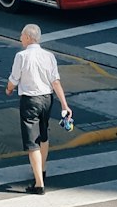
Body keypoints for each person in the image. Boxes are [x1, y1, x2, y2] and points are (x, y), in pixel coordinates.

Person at [5, 23, 71, 195]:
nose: (20, 38)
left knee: (32, 142)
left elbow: (14, 78)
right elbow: (55, 81)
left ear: (28, 37)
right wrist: (64, 104)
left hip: (30, 100)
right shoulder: (49, 56)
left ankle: (39, 184)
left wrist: (9, 89)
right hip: (47, 99)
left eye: (21, 35)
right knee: (43, 135)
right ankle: (42, 169)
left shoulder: (21, 56)